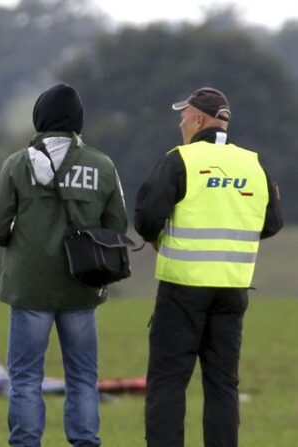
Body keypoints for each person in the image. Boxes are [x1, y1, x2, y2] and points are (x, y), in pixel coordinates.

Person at [135, 87, 283, 447]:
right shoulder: (254, 163)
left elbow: (145, 217)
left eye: (183, 115)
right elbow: (273, 223)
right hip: (232, 291)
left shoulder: (179, 160)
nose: (180, 121)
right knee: (222, 384)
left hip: (182, 289)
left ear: (199, 118)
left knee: (168, 381)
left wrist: (158, 238)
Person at [0, 83, 128, 447]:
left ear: (40, 118)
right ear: (78, 120)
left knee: (26, 379)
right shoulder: (102, 166)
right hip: (81, 287)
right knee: (82, 377)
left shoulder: (15, 165)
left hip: (29, 287)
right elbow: (117, 227)